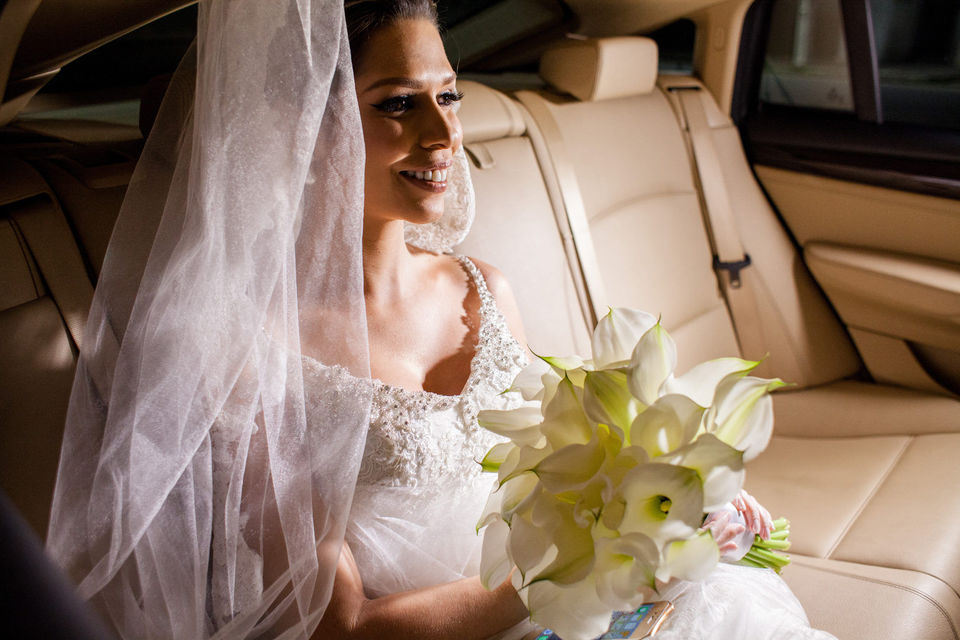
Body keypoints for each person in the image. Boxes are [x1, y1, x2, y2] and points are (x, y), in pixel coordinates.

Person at [46, 1, 835, 638]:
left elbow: (560, 473)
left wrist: (677, 502)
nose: (445, 133)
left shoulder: (484, 289)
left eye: (448, 95)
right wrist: (585, 571)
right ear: (306, 129)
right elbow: (340, 626)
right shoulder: (249, 350)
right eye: (397, 103)